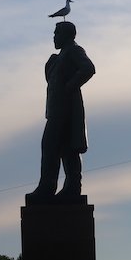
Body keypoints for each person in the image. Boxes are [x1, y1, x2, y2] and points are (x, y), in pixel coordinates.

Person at [26, 21, 95, 203]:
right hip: (57, 111)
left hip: (66, 111)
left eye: (57, 33)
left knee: (54, 147)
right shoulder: (59, 57)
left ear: (67, 35)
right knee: (64, 148)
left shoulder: (73, 50)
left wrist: (69, 86)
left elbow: (88, 68)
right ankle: (66, 188)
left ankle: (52, 187)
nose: (54, 37)